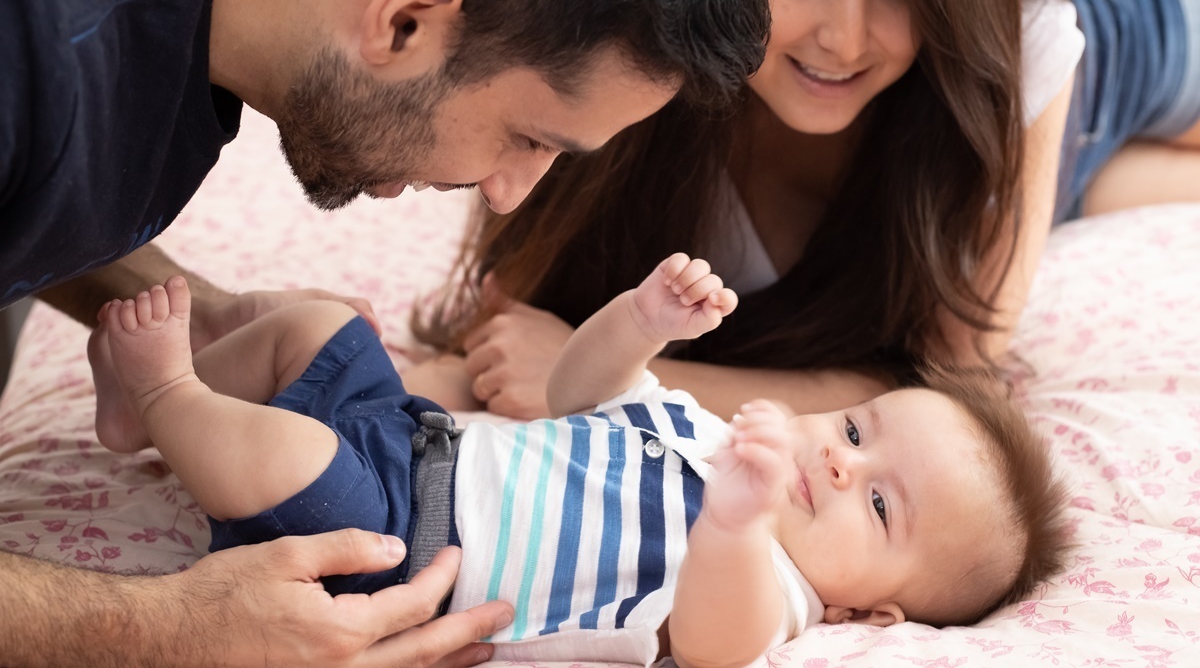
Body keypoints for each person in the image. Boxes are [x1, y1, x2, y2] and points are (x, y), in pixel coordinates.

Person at [0, 0, 771, 662]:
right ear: (406, 19)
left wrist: (199, 313)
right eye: (531, 138)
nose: (507, 195)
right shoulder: (29, 15)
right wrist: (166, 628)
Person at [411, 0, 1200, 421]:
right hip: (1033, 149)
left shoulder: (1015, 43)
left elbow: (956, 385)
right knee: (1066, 190)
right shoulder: (634, 70)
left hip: (1115, 26)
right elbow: (498, 332)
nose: (846, 39)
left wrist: (627, 372)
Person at [87, 255, 1069, 667]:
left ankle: (173, 394)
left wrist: (734, 518)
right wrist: (642, 323)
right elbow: (578, 395)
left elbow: (718, 635)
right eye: (856, 432)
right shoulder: (710, 440)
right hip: (421, 432)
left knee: (284, 456)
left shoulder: (771, 589)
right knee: (321, 325)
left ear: (871, 611)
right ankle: (141, 412)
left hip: (400, 545)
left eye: (884, 508)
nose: (844, 467)